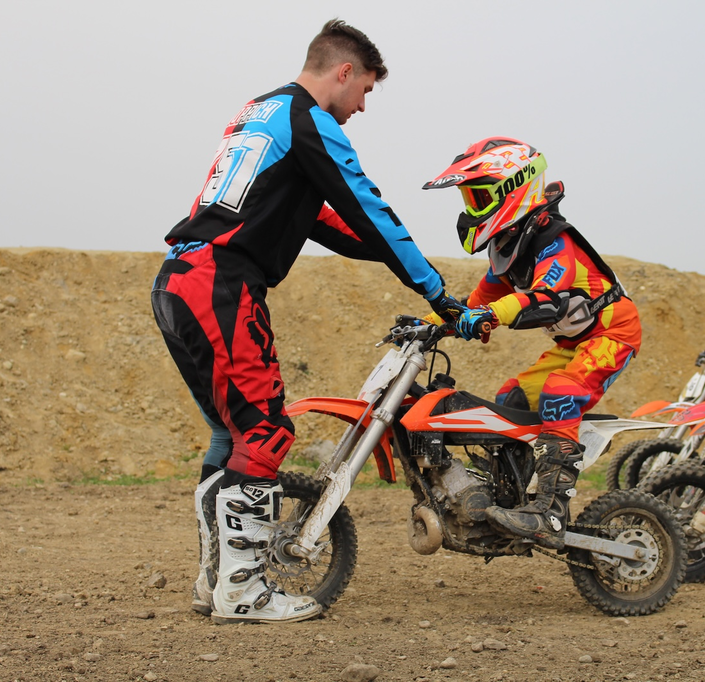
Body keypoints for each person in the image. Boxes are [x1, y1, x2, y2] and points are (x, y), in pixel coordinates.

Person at [150, 19, 466, 624]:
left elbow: (322, 218)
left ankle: (215, 583)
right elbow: (364, 203)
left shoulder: (258, 111)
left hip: (179, 279)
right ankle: (243, 593)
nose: (362, 107)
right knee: (265, 433)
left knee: (231, 435)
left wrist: (390, 253)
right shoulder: (309, 119)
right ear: (344, 72)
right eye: (365, 90)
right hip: (221, 284)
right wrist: (436, 290)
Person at [421, 137, 641, 550]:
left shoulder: (556, 242)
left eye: (479, 197)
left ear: (513, 189)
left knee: (561, 391)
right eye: (469, 199)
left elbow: (547, 297)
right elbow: (472, 305)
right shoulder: (510, 248)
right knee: (512, 397)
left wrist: (492, 315)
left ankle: (550, 513)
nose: (471, 209)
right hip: (572, 343)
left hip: (613, 331)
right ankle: (512, 501)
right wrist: (426, 325)